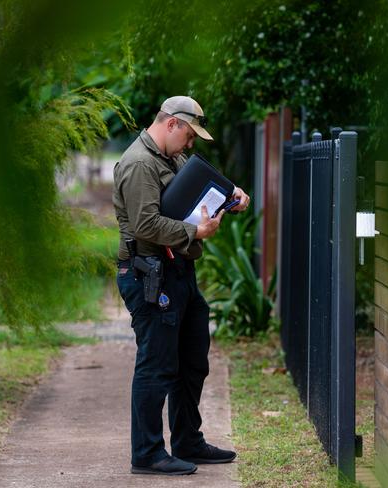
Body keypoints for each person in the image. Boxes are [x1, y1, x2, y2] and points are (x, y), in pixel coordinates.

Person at [113, 95, 250, 476]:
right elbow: (145, 225)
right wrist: (196, 230)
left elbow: (196, 185)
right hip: (148, 274)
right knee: (157, 365)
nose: (190, 145)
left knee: (192, 360)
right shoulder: (139, 163)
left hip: (177, 271)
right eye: (189, 135)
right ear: (171, 123)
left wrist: (232, 195)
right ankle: (147, 452)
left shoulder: (171, 157)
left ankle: (188, 440)